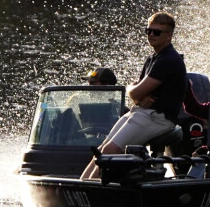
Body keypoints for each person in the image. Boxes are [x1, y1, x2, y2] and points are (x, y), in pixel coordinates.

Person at [80, 12, 187, 179]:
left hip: (159, 117)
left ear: (169, 35)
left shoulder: (168, 60)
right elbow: (137, 92)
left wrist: (136, 93)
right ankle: (81, 185)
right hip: (142, 112)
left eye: (157, 32)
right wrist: (137, 95)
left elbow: (135, 91)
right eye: (149, 31)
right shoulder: (153, 58)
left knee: (110, 151)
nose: (151, 35)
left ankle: (90, 192)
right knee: (102, 149)